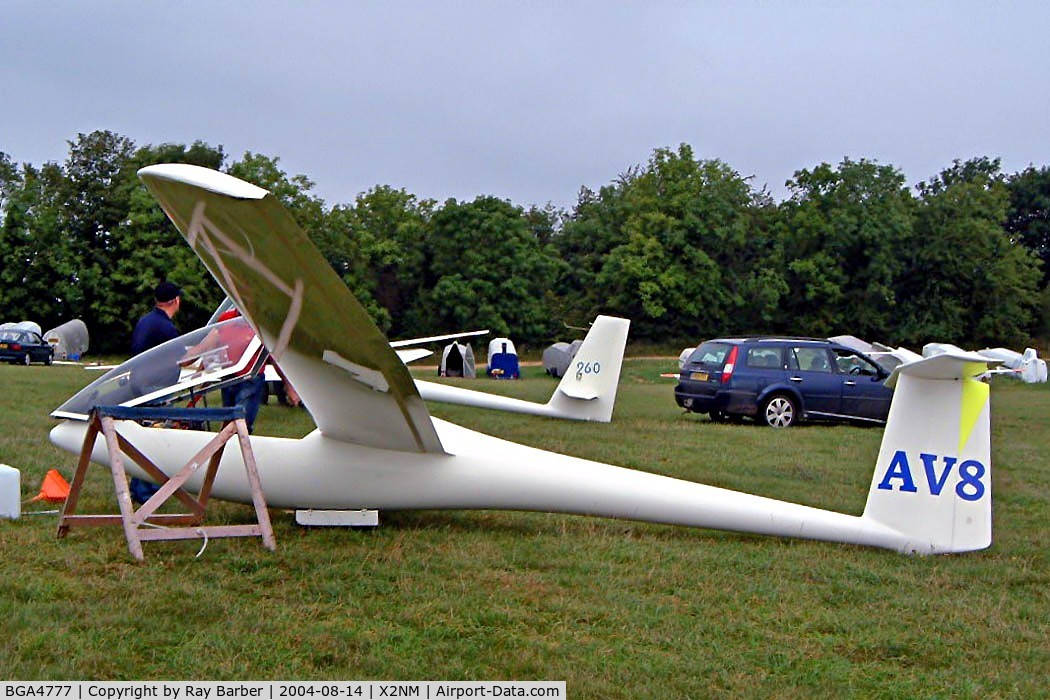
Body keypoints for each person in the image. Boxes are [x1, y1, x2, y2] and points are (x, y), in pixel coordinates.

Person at [128, 281, 183, 504]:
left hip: (140, 385)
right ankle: (146, 492)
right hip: (155, 390)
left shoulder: (146, 321)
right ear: (175, 301)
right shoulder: (166, 328)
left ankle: (139, 486)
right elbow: (182, 357)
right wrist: (208, 344)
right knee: (155, 438)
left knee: (143, 436)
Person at [131, 281, 182, 355]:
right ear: (176, 300)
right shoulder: (166, 327)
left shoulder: (144, 320)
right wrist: (203, 346)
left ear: (156, 300)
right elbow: (183, 360)